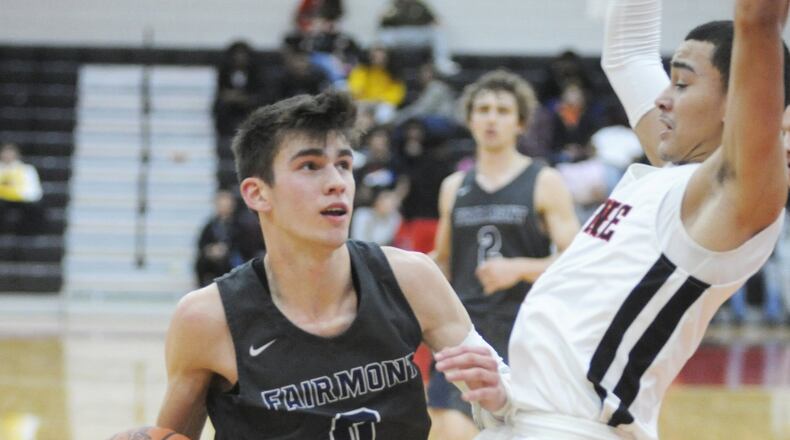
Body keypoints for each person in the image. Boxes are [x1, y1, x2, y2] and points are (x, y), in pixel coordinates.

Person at [435, 0, 790, 439]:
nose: (662, 96)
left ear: (737, 104)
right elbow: (627, 53)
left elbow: (758, 19)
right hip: (524, 416)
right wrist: (511, 395)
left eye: (681, 83)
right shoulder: (672, 171)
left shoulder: (730, 194)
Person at [141, 91, 509, 439]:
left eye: (344, 164)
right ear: (257, 193)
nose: (337, 183)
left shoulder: (412, 278)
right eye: (310, 166)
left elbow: (508, 404)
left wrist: (501, 399)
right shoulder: (206, 319)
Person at [428, 70, 580, 439]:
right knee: (447, 428)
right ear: (470, 120)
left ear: (520, 123)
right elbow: (442, 261)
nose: (491, 118)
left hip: (524, 334)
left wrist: (521, 268)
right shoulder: (453, 187)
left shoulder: (544, 181)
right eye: (482, 109)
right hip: (465, 331)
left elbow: (579, 261)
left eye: (501, 110)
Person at [0, 142, 43, 236]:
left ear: (17, 154)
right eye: (5, 153)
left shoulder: (27, 169)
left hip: (22, 200)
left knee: (35, 207)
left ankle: (28, 234)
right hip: (2, 200)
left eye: (10, 153)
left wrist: (16, 194)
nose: (8, 156)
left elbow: (35, 192)